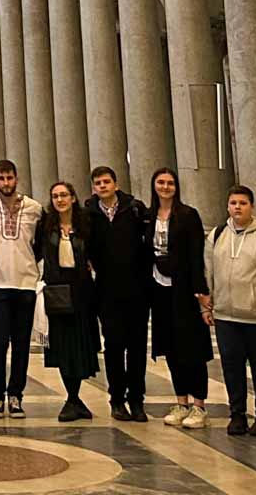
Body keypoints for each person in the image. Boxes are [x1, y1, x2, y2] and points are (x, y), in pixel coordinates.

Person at [202, 185, 256, 437]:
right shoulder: (216, 235)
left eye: (243, 203)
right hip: (226, 315)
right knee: (231, 367)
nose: (237, 207)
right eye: (233, 203)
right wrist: (206, 305)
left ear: (251, 207)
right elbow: (209, 274)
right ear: (227, 206)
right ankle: (237, 413)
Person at [146, 167, 212, 428]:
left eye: (169, 183)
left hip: (185, 289)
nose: (165, 187)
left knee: (192, 348)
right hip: (159, 288)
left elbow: (197, 255)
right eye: (160, 182)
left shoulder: (187, 215)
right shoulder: (149, 217)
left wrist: (201, 290)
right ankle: (181, 401)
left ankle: (199, 405)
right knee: (172, 348)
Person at [84, 166, 152, 420]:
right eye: (98, 183)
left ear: (115, 183)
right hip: (106, 291)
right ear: (94, 187)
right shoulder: (89, 214)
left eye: (106, 182)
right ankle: (117, 399)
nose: (102, 186)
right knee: (113, 346)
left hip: (136, 289)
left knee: (136, 347)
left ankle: (137, 399)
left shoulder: (134, 209)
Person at [0, 159, 41, 418]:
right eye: (1, 178)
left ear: (16, 178)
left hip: (25, 282)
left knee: (21, 343)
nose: (6, 183)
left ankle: (16, 394)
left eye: (9, 178)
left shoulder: (34, 208)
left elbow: (38, 243)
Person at [37, 181, 101, 422]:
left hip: (82, 290)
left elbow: (95, 253)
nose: (60, 200)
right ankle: (72, 398)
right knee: (62, 346)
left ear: (73, 198)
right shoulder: (46, 226)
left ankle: (75, 398)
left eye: (64, 195)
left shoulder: (85, 224)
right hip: (57, 290)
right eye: (55, 196)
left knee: (80, 344)